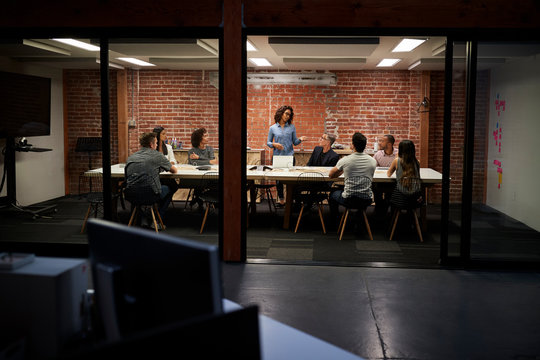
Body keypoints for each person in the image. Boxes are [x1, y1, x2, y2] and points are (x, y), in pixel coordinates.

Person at [125, 132, 178, 223]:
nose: (157, 145)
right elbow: (174, 170)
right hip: (150, 194)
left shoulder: (131, 157)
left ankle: (138, 219)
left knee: (137, 186)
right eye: (156, 143)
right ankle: (157, 219)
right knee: (173, 186)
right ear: (151, 144)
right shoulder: (157, 155)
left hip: (131, 194)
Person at [328, 132, 377, 227]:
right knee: (361, 196)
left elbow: (331, 175)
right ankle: (359, 219)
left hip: (349, 199)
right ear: (365, 146)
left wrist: (342, 171)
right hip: (366, 199)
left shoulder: (346, 160)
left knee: (333, 193)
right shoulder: (372, 161)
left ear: (353, 145)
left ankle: (335, 222)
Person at [267, 105, 306, 206]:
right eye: (287, 114)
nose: (288, 116)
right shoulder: (273, 128)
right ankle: (281, 200)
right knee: (279, 181)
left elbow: (295, 142)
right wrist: (274, 144)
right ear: (281, 113)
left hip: (289, 157)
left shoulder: (292, 127)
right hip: (277, 157)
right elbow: (268, 142)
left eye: (290, 115)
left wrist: (300, 139)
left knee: (290, 180)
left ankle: (290, 200)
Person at [387, 139, 423, 208]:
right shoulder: (417, 162)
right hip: (415, 200)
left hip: (399, 200)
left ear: (400, 150)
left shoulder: (397, 160)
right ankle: (410, 215)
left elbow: (389, 174)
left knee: (389, 192)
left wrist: (396, 157)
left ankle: (392, 217)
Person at [372, 134, 398, 218]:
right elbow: (372, 167)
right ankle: (379, 209)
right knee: (375, 188)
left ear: (389, 144)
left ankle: (389, 209)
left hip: (394, 182)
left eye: (382, 141)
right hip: (380, 182)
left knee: (391, 193)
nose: (380, 143)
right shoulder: (378, 154)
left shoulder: (398, 154)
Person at [153, 126, 179, 196]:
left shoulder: (168, 147)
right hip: (155, 176)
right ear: (157, 135)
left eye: (165, 134)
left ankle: (161, 203)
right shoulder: (152, 148)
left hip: (166, 174)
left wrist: (168, 163)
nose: (166, 136)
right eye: (163, 134)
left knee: (174, 186)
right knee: (170, 187)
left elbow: (173, 160)